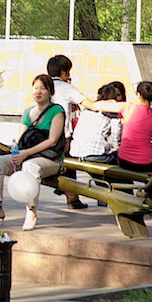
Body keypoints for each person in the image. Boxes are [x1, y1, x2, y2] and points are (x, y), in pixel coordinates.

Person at [0, 74, 66, 231]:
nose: (38, 91)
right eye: (36, 88)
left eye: (43, 88)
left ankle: (31, 211)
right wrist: (15, 150)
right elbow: (20, 138)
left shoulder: (57, 111)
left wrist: (25, 154)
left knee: (30, 166)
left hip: (50, 159)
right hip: (27, 156)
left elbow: (53, 141)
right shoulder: (28, 112)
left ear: (51, 92)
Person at [84, 80, 152, 201]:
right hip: (146, 163)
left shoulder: (127, 107)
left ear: (138, 95)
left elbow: (96, 106)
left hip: (124, 161)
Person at [46, 54, 89, 209]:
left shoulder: (44, 86)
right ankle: (70, 196)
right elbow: (88, 103)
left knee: (66, 165)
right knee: (67, 164)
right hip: (62, 135)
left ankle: (71, 197)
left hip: (44, 132)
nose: (69, 76)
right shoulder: (66, 88)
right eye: (68, 72)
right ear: (63, 72)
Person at [69, 83, 122, 164]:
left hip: (75, 152)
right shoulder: (112, 115)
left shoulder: (86, 111)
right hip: (95, 156)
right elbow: (116, 142)